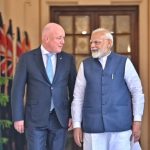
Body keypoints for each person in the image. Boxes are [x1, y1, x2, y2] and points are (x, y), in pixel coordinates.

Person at [71, 28, 145, 150]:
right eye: (91, 42)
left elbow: (137, 92)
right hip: (93, 127)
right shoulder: (85, 65)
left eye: (97, 42)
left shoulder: (124, 62)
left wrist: (137, 120)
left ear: (109, 43)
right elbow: (78, 97)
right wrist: (77, 125)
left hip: (120, 127)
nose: (92, 46)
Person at [11, 22, 77, 150]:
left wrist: (72, 114)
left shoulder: (68, 59)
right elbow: (17, 91)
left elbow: (74, 89)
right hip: (35, 118)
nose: (63, 42)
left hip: (60, 118)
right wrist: (18, 117)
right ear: (46, 38)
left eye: (63, 38)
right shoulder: (27, 59)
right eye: (59, 38)